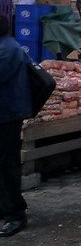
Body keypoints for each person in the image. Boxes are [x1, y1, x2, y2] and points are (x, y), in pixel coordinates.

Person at [0, 16, 32, 237]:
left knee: (7, 165)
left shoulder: (7, 49)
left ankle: (15, 214)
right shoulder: (8, 46)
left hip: (7, 116)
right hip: (6, 114)